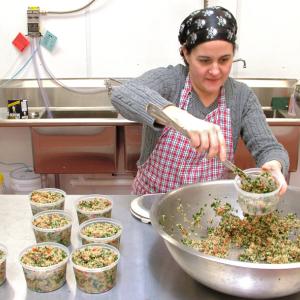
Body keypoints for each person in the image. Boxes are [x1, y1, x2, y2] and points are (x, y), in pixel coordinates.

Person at [112, 6, 289, 195]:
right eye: (204, 61)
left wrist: (274, 164)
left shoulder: (241, 96)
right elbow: (123, 93)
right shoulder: (171, 81)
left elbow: (268, 147)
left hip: (206, 210)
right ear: (186, 53)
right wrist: (179, 117)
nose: (215, 70)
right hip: (150, 203)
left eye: (224, 60)